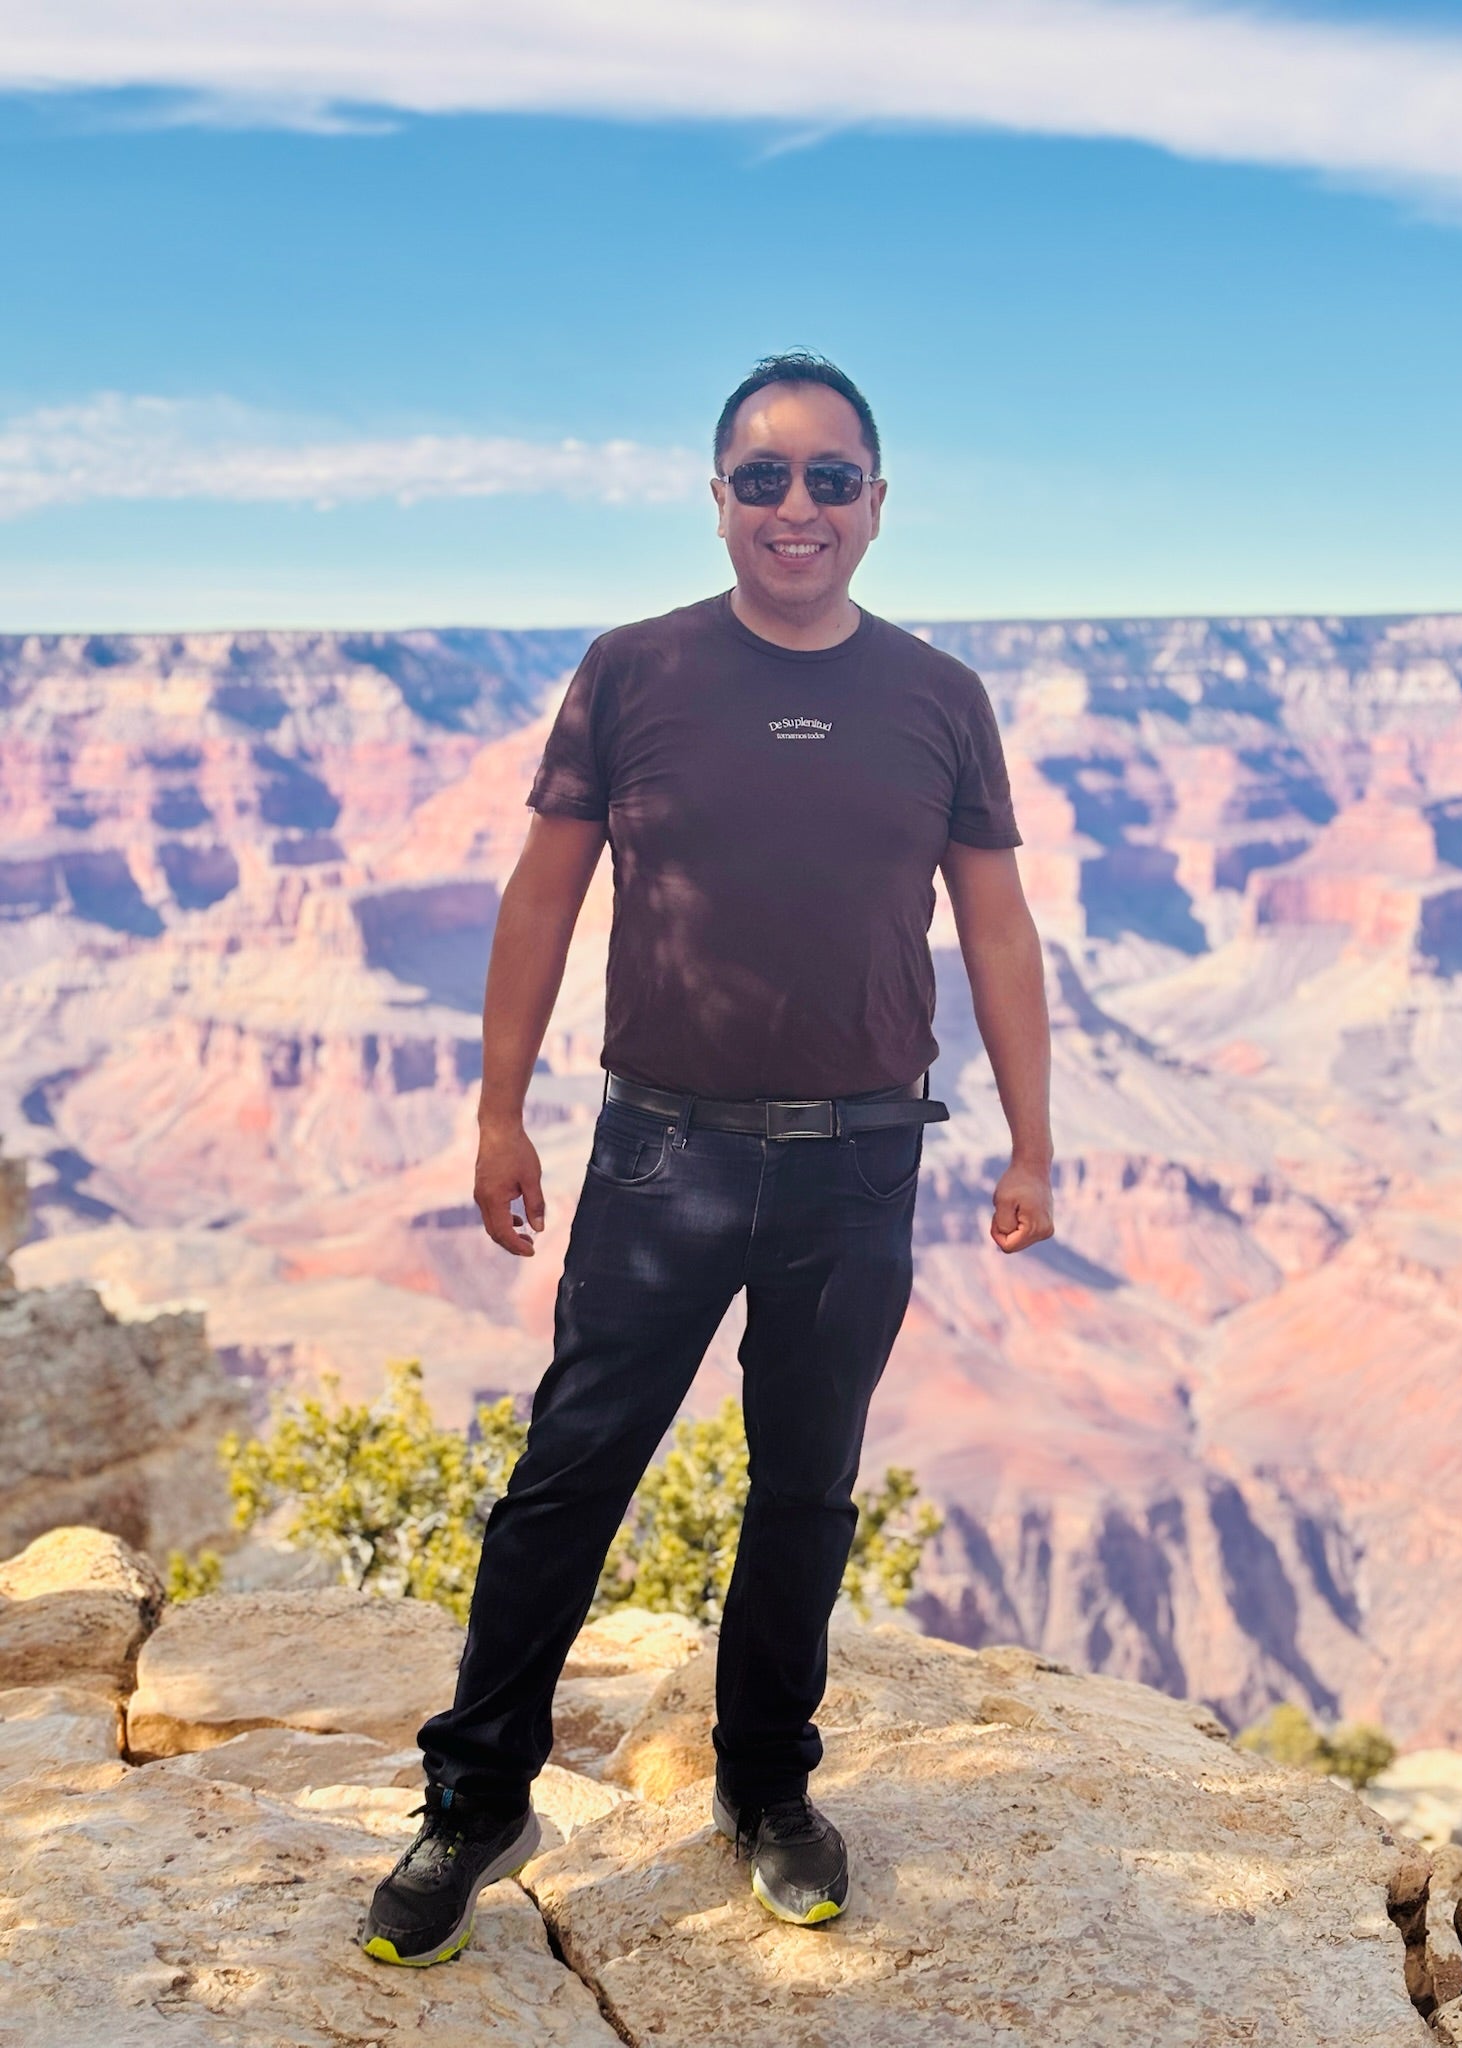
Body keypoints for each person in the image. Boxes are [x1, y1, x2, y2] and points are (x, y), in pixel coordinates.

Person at [363, 352, 1054, 1966]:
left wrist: (1035, 1136)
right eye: (764, 477)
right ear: (719, 497)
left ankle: (767, 1787)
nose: (796, 507)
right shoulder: (634, 671)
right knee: (569, 1476)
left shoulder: (939, 695)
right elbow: (540, 900)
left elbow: (998, 927)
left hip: (861, 1158)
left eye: (830, 478)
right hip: (659, 1153)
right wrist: (494, 1106)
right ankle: (474, 1802)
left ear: (880, 502)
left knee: (803, 1493)